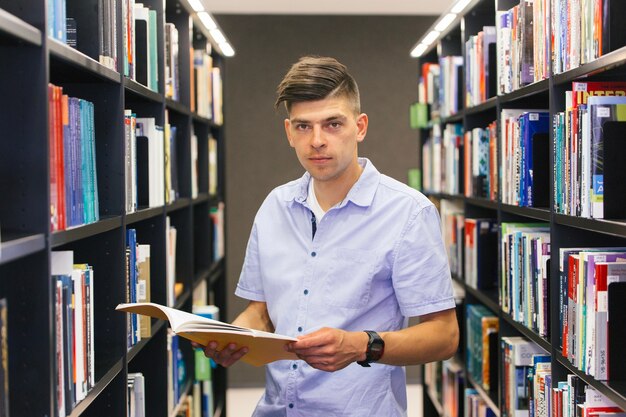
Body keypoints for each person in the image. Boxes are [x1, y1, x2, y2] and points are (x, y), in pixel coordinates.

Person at [201, 55, 459, 416]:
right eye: (304, 127)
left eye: (333, 124)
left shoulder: (408, 212)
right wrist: (234, 338)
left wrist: (361, 346)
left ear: (360, 126)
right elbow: (261, 312)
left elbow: (444, 336)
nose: (317, 141)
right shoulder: (274, 206)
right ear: (289, 132)